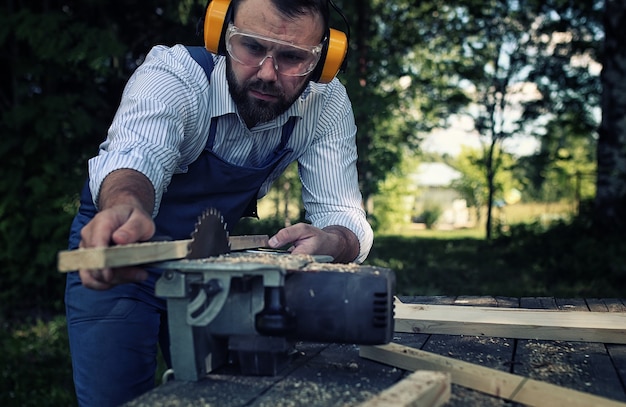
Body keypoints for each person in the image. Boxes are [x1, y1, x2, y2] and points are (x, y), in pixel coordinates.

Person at [64, 0, 373, 405]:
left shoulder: (326, 104)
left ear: (324, 59)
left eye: (292, 57)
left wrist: (333, 241)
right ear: (220, 34)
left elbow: (342, 213)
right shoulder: (174, 75)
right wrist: (124, 208)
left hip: (212, 265)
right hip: (122, 252)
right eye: (251, 47)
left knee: (225, 395)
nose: (267, 73)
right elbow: (136, 156)